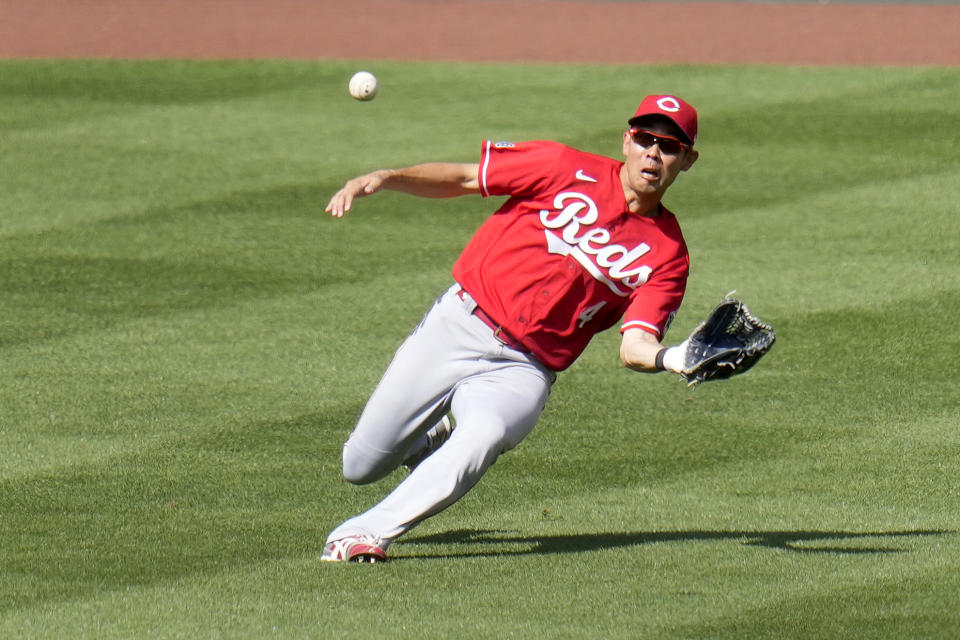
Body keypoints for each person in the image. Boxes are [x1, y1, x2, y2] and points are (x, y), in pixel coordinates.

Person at [321, 94, 701, 562]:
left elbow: (636, 344)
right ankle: (429, 436)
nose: (653, 153)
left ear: (687, 159)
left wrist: (673, 358)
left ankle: (364, 533)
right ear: (627, 140)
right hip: (459, 326)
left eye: (668, 146)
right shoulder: (561, 165)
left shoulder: (668, 254)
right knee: (359, 466)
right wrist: (386, 178)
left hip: (525, 370)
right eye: (645, 139)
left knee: (484, 434)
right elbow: (464, 177)